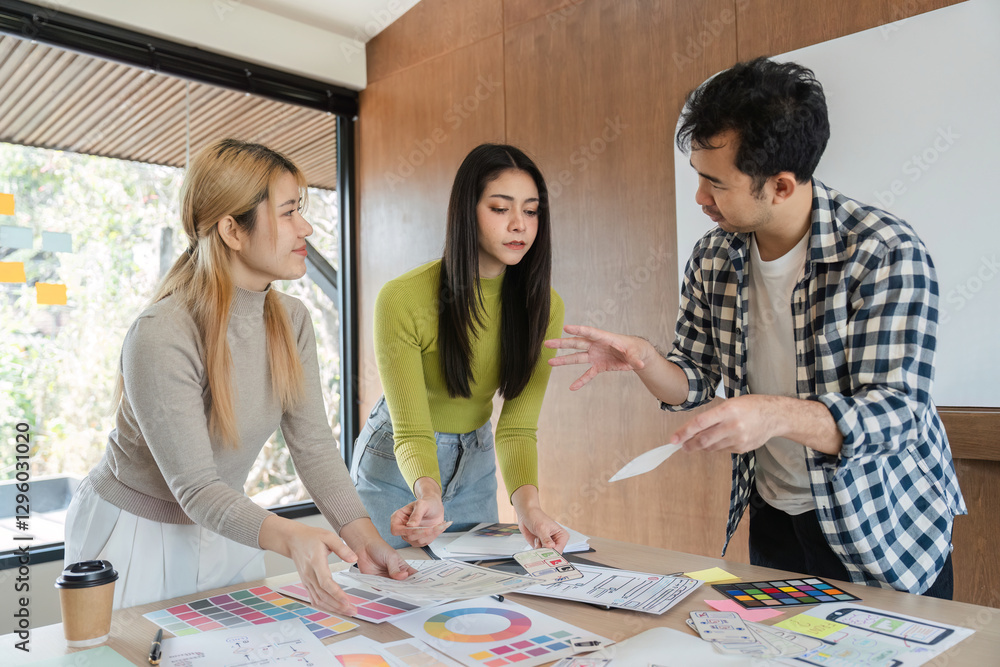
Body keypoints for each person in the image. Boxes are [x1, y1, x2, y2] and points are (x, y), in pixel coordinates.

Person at [545, 58, 966, 598]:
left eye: (715, 183)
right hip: (772, 511)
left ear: (782, 186)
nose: (700, 198)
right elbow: (694, 379)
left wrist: (772, 414)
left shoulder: (885, 253)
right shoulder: (714, 255)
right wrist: (646, 360)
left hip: (883, 523)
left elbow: (896, 416)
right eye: (698, 176)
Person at [65, 139, 413, 613]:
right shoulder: (161, 333)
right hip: (133, 533)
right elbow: (194, 488)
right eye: (289, 212)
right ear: (233, 229)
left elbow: (313, 446)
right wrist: (291, 537)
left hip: (230, 523)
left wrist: (366, 539)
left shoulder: (292, 320)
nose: (306, 227)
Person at [351, 143, 568, 551]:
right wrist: (428, 494)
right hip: (396, 463)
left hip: (477, 457)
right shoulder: (403, 298)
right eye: (501, 209)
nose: (519, 224)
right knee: (383, 596)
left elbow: (518, 427)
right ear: (467, 211)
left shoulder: (544, 306)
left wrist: (529, 508)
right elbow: (412, 431)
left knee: (475, 598)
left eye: (531, 210)